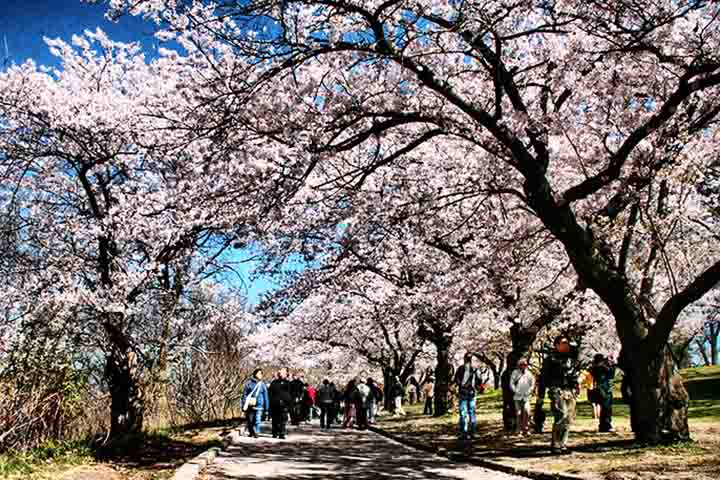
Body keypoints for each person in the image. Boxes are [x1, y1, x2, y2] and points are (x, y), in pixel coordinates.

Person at [539, 335, 580, 454]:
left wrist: (576, 387)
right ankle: (556, 444)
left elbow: (574, 374)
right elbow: (543, 378)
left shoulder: (571, 358)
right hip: (556, 389)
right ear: (556, 345)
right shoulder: (550, 359)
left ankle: (563, 444)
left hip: (570, 390)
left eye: (567, 343)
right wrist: (540, 395)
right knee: (561, 414)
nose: (566, 345)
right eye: (563, 343)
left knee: (569, 418)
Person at [454, 352, 483, 440]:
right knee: (471, 413)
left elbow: (456, 380)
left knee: (463, 413)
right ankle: (472, 432)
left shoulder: (461, 368)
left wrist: (461, 385)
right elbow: (479, 381)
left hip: (463, 392)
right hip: (472, 393)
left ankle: (464, 433)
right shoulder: (475, 369)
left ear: (465, 359)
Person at [590, 353, 616, 433]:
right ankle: (606, 425)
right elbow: (611, 374)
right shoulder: (601, 367)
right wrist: (613, 365)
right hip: (604, 388)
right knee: (606, 408)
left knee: (604, 408)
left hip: (599, 388)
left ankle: (603, 425)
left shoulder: (593, 367)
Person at [241, 368, 269, 438]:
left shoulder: (262, 384)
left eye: (261, 374)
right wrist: (243, 404)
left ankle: (257, 432)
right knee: (250, 420)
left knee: (257, 419)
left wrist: (267, 408)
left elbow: (266, 396)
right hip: (250, 405)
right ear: (255, 374)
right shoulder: (249, 383)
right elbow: (244, 395)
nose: (260, 375)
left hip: (259, 405)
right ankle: (251, 431)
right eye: (259, 373)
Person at [510, 358, 535, 435]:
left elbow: (532, 384)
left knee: (526, 412)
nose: (523, 366)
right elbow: (511, 383)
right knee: (519, 413)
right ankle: (519, 429)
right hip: (517, 396)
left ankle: (526, 428)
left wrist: (529, 391)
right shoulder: (515, 373)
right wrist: (516, 391)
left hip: (526, 396)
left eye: (525, 365)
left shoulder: (529, 373)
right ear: (519, 365)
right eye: (522, 364)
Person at [269, 368, 293, 439]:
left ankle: (282, 433)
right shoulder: (274, 382)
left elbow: (290, 394)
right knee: (275, 419)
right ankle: (275, 432)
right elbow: (270, 393)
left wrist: (289, 403)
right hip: (275, 404)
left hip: (284, 404)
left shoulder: (288, 383)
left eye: (283, 373)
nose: (280, 374)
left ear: (286, 374)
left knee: (283, 419)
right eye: (280, 372)